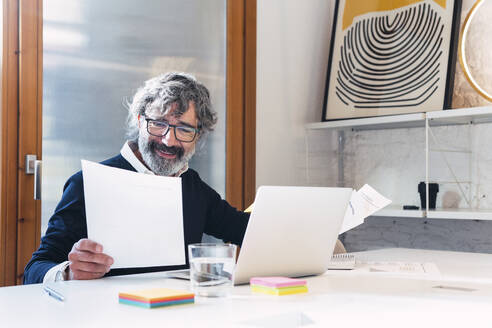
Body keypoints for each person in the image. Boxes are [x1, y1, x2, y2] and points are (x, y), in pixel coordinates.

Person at [23, 72, 250, 284]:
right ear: (140, 121)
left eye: (184, 129)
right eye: (158, 124)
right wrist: (68, 273)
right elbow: (35, 269)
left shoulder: (193, 187)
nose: (168, 140)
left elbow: (245, 229)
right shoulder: (87, 183)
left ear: (198, 136)